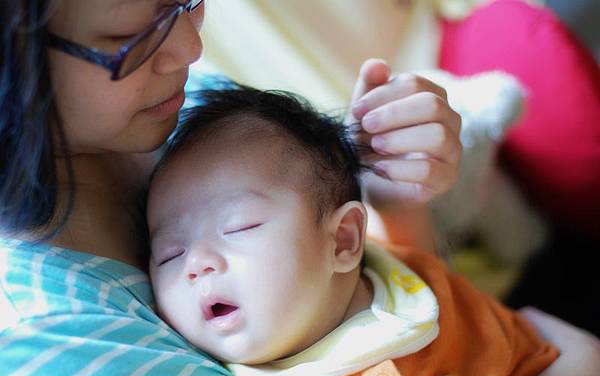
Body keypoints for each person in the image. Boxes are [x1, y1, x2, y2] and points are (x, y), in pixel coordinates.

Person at [0, 0, 597, 376]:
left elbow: (361, 281)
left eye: (181, 3)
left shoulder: (192, 111)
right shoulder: (47, 337)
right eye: (128, 34)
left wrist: (397, 202)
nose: (188, 47)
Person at [200, 0, 600, 334]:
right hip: (453, 294)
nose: (185, 40)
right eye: (169, 255)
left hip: (482, 264)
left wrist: (395, 200)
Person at [146, 84, 559, 376]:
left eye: (239, 227)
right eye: (168, 254)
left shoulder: (391, 266)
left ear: (343, 241)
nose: (195, 262)